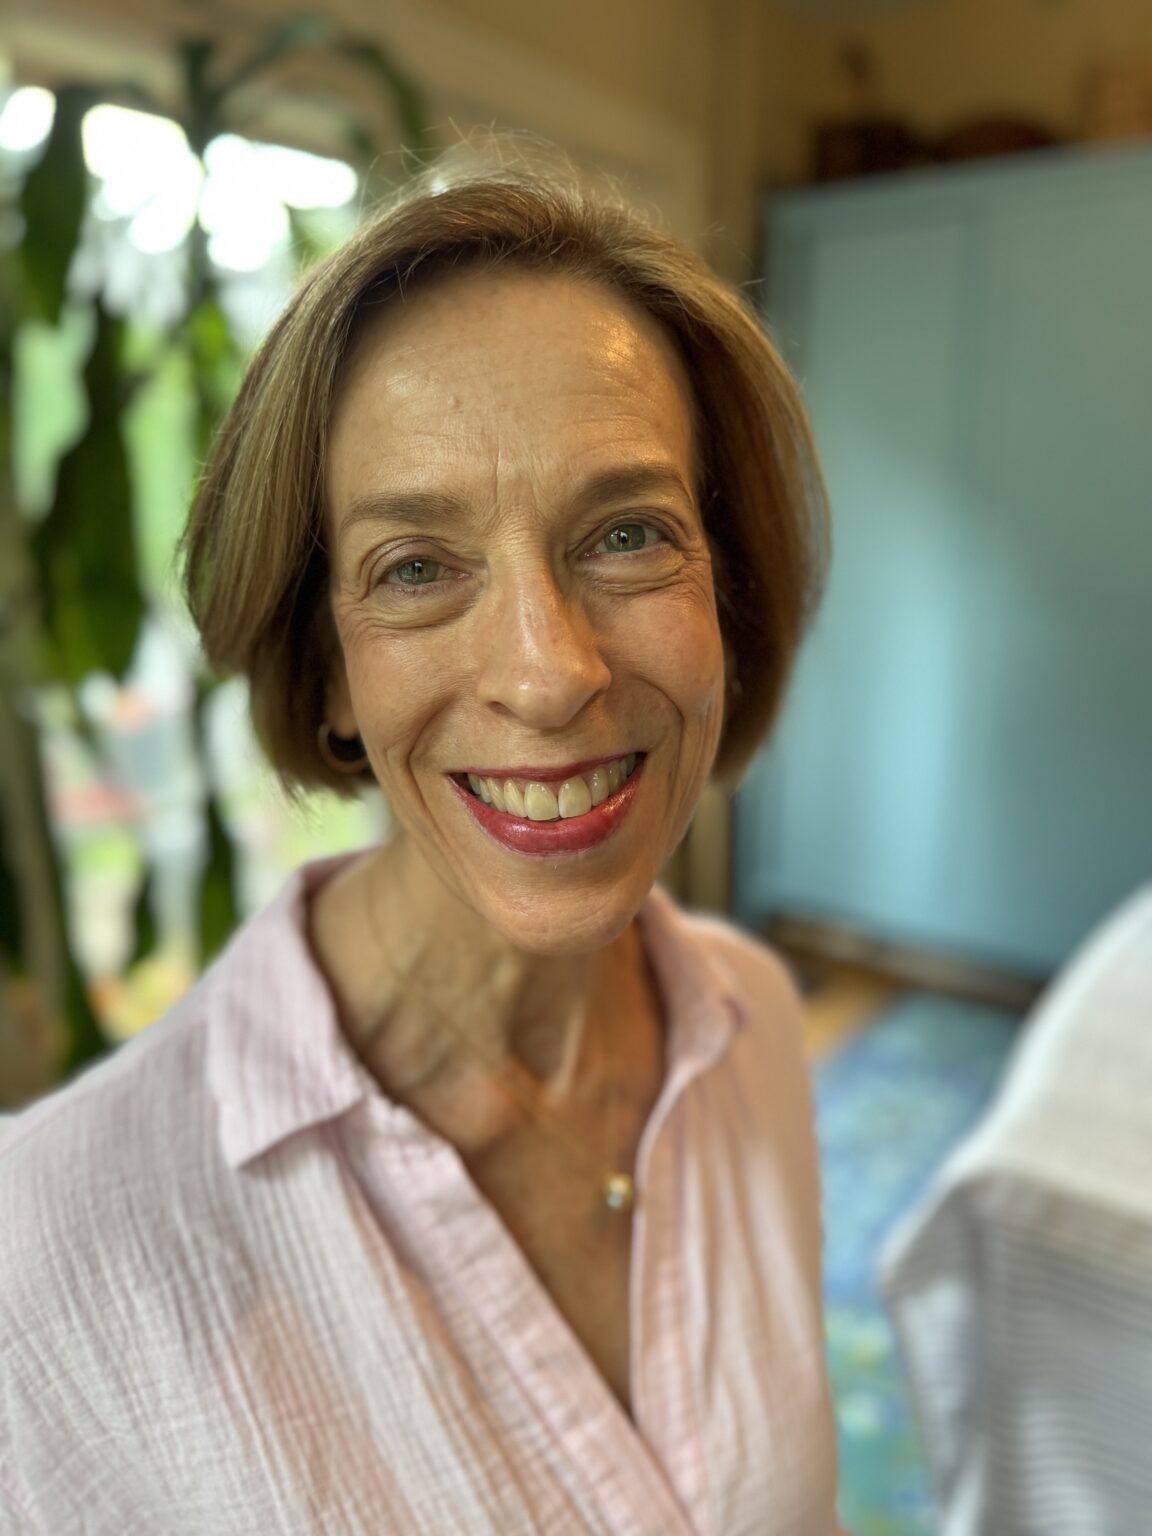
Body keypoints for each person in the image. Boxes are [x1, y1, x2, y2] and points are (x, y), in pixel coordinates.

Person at [0, 146, 843, 1534]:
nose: (548, 674)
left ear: (728, 601)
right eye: (415, 568)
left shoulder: (746, 1021)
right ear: (328, 667)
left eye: (627, 536)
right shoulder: (45, 1260)